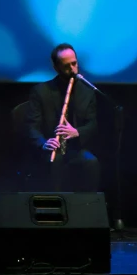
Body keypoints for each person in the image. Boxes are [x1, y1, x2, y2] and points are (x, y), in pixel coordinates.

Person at [24, 43, 100, 192]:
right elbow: (31, 126)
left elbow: (93, 124)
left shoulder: (87, 91)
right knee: (55, 163)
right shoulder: (41, 91)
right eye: (66, 66)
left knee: (91, 162)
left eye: (74, 64)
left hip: (75, 149)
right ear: (56, 68)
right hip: (50, 150)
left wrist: (76, 132)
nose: (72, 70)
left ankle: (87, 207)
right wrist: (43, 143)